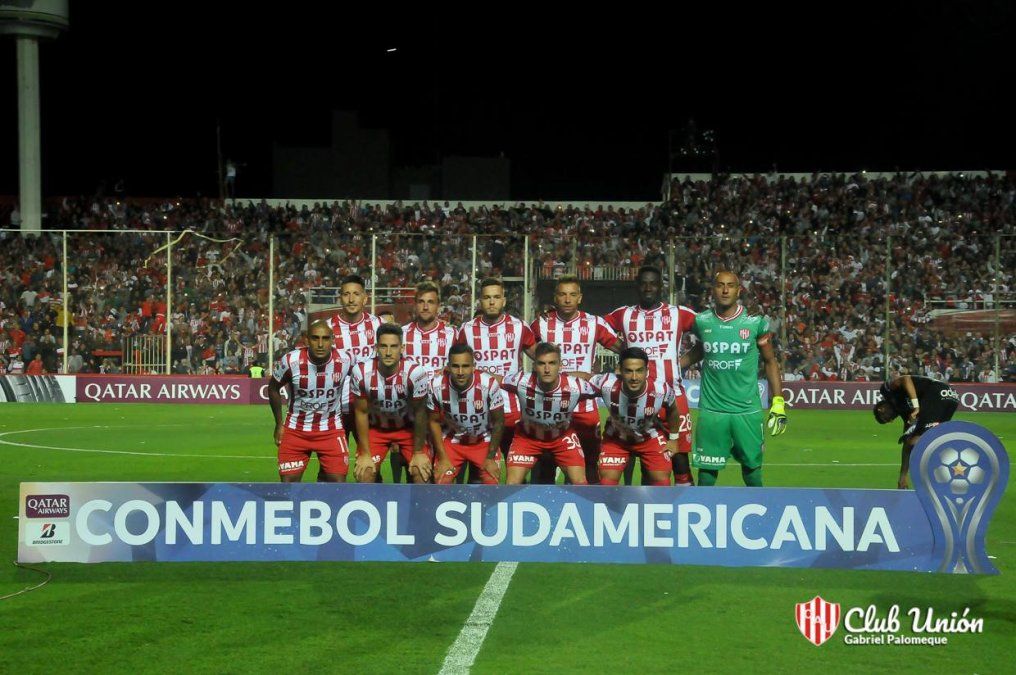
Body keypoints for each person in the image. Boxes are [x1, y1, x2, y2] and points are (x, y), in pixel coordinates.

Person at [680, 271, 786, 487]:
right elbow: (701, 350)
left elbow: (770, 361)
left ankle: (760, 514)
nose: (725, 290)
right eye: (720, 285)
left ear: (739, 290)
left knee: (752, 471)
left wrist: (778, 402)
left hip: (746, 410)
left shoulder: (755, 322)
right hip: (712, 410)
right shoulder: (702, 321)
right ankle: (704, 515)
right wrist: (673, 364)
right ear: (713, 290)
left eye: (730, 285)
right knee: (707, 473)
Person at [606, 265, 696, 484]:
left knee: (680, 458)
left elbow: (709, 331)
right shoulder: (624, 314)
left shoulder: (678, 314)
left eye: (653, 283)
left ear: (660, 287)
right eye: (644, 283)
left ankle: (687, 505)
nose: (648, 288)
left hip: (672, 395)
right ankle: (641, 506)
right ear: (638, 286)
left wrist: (682, 362)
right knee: (643, 455)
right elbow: (594, 329)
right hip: (636, 397)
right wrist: (623, 350)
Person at [531, 275, 621, 484]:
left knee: (590, 462)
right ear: (555, 297)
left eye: (572, 294)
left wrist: (618, 370)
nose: (567, 299)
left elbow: (621, 348)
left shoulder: (594, 323)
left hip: (584, 407)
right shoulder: (541, 324)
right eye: (562, 294)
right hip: (549, 407)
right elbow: (526, 347)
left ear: (580, 297)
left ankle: (586, 509)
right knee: (546, 462)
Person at [455, 278, 537, 470]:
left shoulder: (519, 327)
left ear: (504, 300)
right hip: (478, 412)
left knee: (516, 469)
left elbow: (541, 359)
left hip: (513, 411)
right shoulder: (467, 330)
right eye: (487, 297)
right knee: (480, 470)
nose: (492, 302)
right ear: (480, 301)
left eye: (496, 297)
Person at [500, 342, 598, 485]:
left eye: (552, 363)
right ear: (534, 366)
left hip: (562, 438)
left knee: (580, 484)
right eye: (541, 363)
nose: (547, 369)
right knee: (511, 485)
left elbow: (607, 389)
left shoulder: (575, 386)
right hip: (527, 438)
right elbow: (492, 381)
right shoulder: (521, 381)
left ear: (560, 365)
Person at [267, 320, 351, 483]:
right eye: (315, 338)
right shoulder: (291, 360)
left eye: (325, 338)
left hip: (331, 430)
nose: (320, 344)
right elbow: (273, 388)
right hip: (295, 430)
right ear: (306, 340)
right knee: (288, 486)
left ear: (333, 340)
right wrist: (279, 424)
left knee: (339, 486)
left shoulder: (345, 361)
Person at [350, 324, 432, 483]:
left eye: (394, 347)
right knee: (365, 474)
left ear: (402, 348)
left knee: (421, 473)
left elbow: (421, 414)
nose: (388, 352)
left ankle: (417, 506)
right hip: (377, 430)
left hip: (407, 430)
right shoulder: (360, 372)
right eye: (383, 346)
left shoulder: (415, 373)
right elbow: (361, 412)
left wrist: (418, 453)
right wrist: (366, 454)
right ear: (376, 348)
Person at [591, 348, 679, 486]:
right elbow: (584, 379)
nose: (634, 377)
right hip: (616, 439)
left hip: (650, 438)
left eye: (639, 370)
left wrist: (674, 439)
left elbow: (673, 410)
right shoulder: (606, 383)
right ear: (620, 370)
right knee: (606, 483)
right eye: (628, 371)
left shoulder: (661, 390)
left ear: (647, 371)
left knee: (663, 484)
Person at [397, 281, 457, 482]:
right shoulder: (402, 334)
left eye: (430, 302)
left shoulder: (451, 334)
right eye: (421, 302)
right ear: (415, 304)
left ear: (438, 305)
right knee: (416, 472)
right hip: (410, 416)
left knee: (444, 474)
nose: (425, 306)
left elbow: (461, 367)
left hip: (443, 418)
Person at [429, 344, 505, 485]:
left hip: (483, 441)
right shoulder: (436, 386)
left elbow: (499, 422)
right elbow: (433, 421)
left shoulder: (489, 384)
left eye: (465, 366)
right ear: (448, 367)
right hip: (452, 442)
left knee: (491, 483)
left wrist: (490, 457)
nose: (460, 371)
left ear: (473, 366)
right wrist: (443, 458)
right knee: (441, 483)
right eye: (455, 366)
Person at [874, 374, 959, 489]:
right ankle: (947, 471)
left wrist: (916, 406)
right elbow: (907, 443)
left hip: (937, 392)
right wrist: (902, 476)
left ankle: (939, 473)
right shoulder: (905, 413)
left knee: (915, 441)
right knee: (929, 439)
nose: (891, 420)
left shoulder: (886, 390)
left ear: (881, 409)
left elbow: (906, 379)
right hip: (951, 397)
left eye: (887, 419)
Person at [327, 274, 383, 438]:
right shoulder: (327, 329)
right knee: (331, 461)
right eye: (346, 294)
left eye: (356, 294)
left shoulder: (379, 325)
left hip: (369, 406)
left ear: (365, 299)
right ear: (340, 298)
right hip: (336, 409)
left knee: (369, 461)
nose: (351, 299)